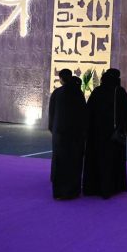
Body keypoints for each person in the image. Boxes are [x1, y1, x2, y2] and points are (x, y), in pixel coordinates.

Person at [82, 68, 127, 199]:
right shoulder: (119, 92)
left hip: (96, 134)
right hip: (114, 135)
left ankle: (94, 187)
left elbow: (88, 112)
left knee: (97, 159)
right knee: (112, 161)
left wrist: (86, 131)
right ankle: (111, 187)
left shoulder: (97, 91)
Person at [48, 68, 88, 200]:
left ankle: (59, 192)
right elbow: (83, 114)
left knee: (60, 162)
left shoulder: (57, 93)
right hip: (75, 136)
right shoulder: (78, 93)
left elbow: (52, 114)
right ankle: (72, 191)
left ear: (60, 79)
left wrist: (53, 129)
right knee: (74, 162)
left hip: (60, 134)